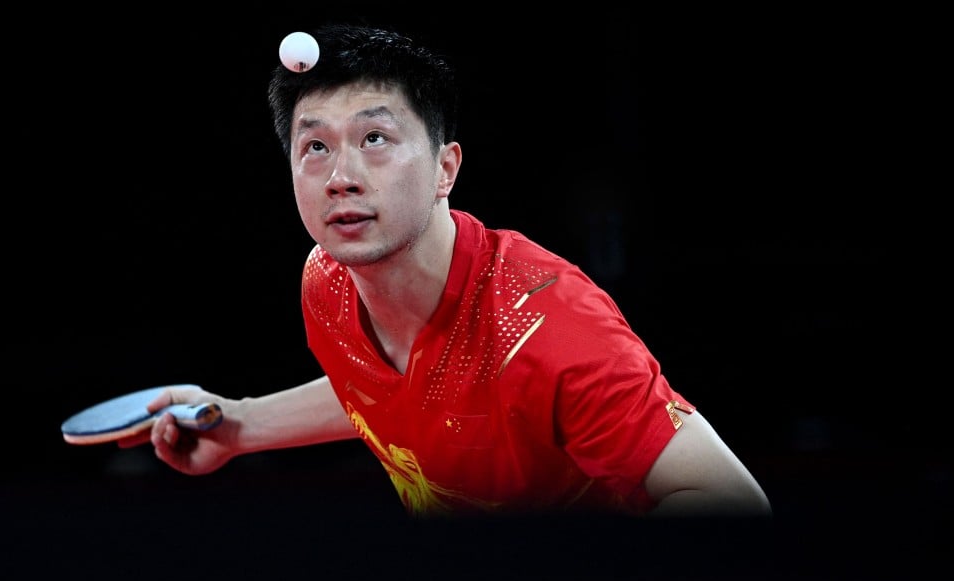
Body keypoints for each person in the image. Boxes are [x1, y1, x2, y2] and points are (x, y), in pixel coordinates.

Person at [122, 22, 771, 518]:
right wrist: (238, 425)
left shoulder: (548, 330)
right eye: (315, 146)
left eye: (374, 140)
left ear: (445, 169)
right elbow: (399, 392)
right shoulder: (327, 282)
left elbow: (733, 502)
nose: (342, 178)